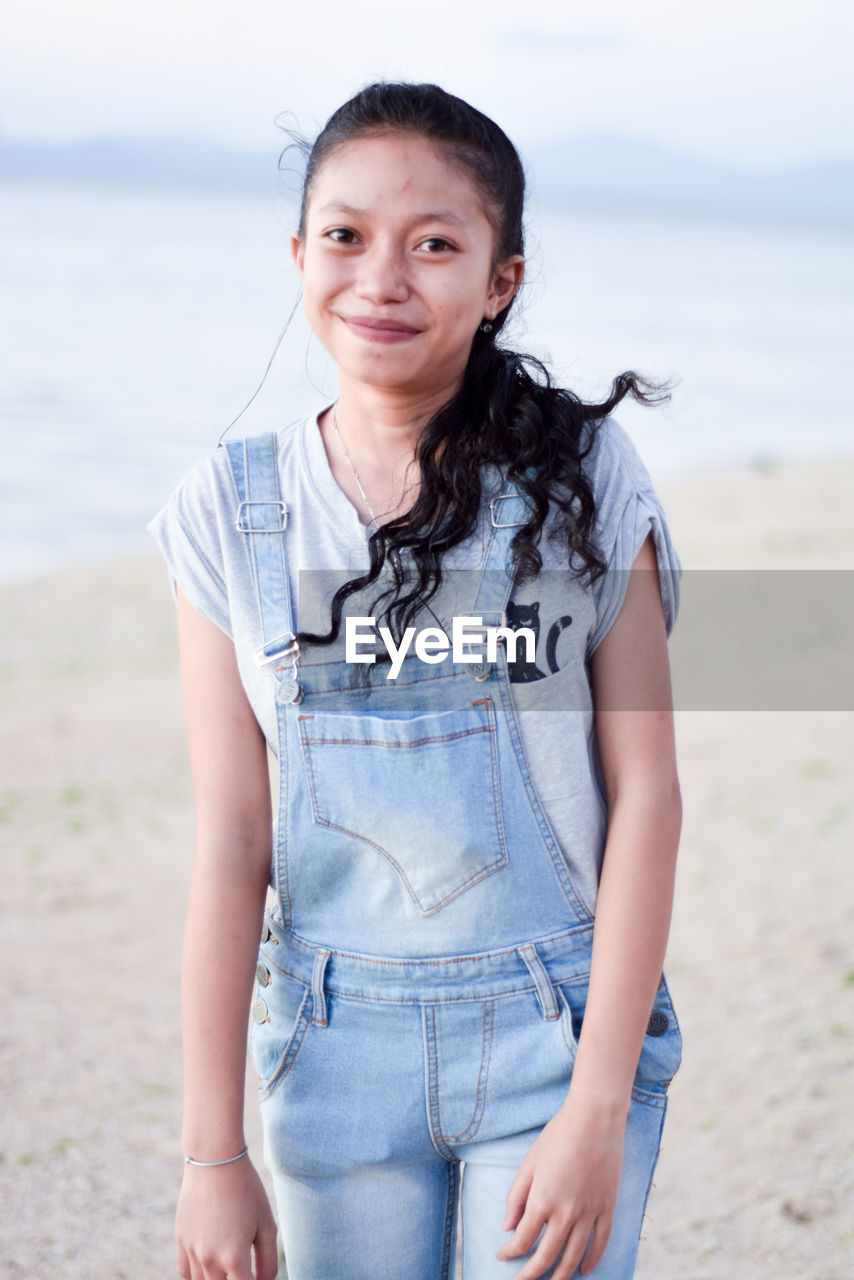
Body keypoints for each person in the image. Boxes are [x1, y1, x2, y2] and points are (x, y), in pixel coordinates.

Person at [148, 81, 684, 1280]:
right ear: (298, 254)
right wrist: (208, 1153)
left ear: (501, 279)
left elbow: (646, 791)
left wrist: (597, 1103)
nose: (382, 277)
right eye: (344, 236)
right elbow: (234, 841)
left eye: (435, 244)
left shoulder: (583, 476)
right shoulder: (225, 516)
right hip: (334, 1050)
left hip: (555, 1031)